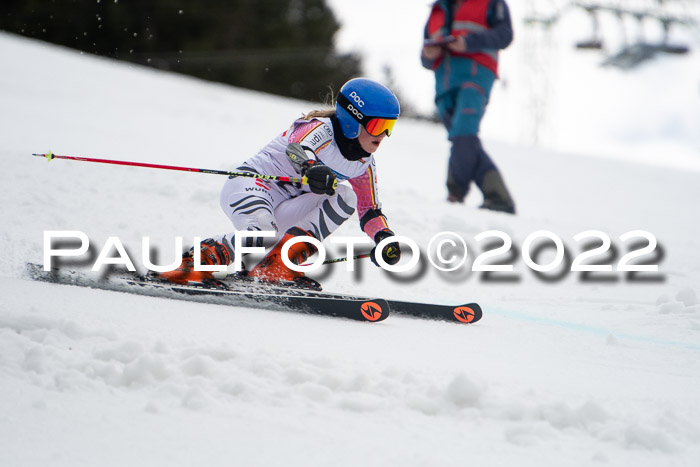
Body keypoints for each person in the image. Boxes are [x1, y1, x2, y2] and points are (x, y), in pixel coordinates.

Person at [158, 78, 402, 290]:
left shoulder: (363, 163)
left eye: (389, 127)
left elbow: (369, 209)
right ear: (353, 120)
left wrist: (384, 237)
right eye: (377, 126)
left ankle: (277, 265)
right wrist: (311, 167)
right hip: (254, 184)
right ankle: (195, 262)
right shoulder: (321, 129)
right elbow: (298, 147)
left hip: (286, 205)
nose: (383, 135)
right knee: (260, 234)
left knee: (346, 196)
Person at [421, 0, 516, 214]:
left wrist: (469, 42)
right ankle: (499, 198)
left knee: (464, 132)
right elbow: (424, 55)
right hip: (444, 84)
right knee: (463, 141)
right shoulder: (436, 10)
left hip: (476, 76)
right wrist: (428, 55)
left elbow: (505, 35)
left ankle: (455, 194)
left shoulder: (492, 3)